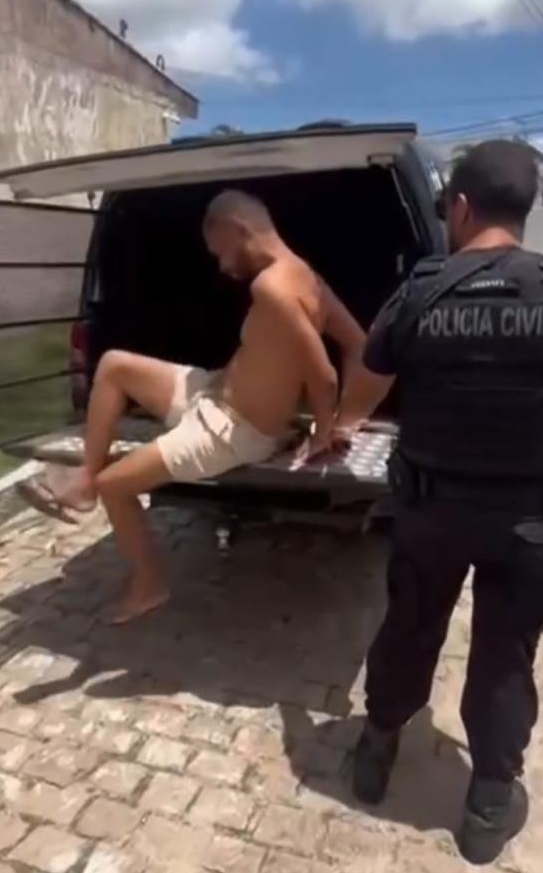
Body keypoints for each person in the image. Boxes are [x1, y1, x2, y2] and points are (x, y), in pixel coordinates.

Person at [334, 140, 543, 865]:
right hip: (531, 525)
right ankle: (486, 807)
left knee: (409, 627)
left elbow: (361, 395)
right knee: (505, 656)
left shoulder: (420, 288)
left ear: (458, 207)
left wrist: (336, 428)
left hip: (429, 514)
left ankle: (375, 751)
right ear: (526, 209)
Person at [19, 191, 366, 624]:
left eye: (220, 252)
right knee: (114, 365)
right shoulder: (309, 279)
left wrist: (324, 434)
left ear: (238, 230)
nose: (221, 266)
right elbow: (358, 346)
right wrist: (347, 417)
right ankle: (85, 479)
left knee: (116, 485)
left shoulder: (271, 286)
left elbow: (324, 375)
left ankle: (148, 585)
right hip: (212, 392)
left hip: (231, 430)